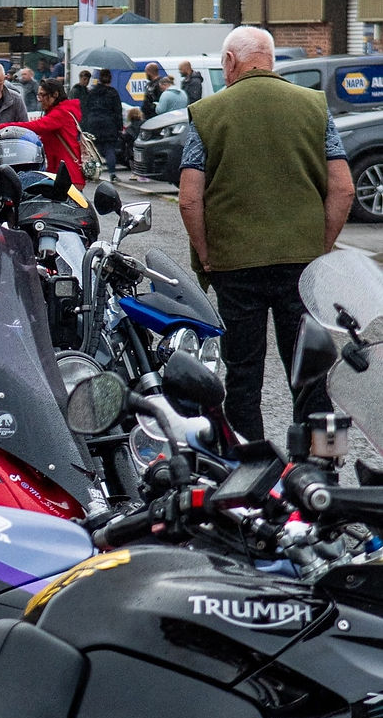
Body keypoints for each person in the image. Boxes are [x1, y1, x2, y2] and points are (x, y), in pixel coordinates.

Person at [178, 25, 355, 441]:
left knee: (242, 373)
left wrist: (206, 255)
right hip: (301, 264)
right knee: (310, 369)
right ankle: (320, 464)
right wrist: (319, 247)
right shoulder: (313, 106)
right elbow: (344, 189)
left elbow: (189, 199)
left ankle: (249, 466)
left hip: (235, 266)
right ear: (271, 61)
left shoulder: (207, 113)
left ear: (229, 62)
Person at [19, 77, 83, 186]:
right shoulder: (59, 111)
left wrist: (4, 127)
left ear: (55, 94)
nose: (39, 99)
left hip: (68, 177)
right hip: (61, 174)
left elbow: (37, 126)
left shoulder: (61, 113)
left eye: (43, 95)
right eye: (38, 95)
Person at [84, 68, 125, 181]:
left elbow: (87, 108)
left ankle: (92, 173)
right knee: (109, 149)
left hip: (93, 123)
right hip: (108, 124)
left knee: (93, 150)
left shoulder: (92, 92)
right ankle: (112, 173)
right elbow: (118, 111)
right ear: (110, 79)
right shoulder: (113, 93)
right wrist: (119, 127)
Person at [120, 106, 143, 171]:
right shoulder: (145, 124)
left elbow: (124, 139)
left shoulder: (129, 128)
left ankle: (135, 172)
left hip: (132, 149)